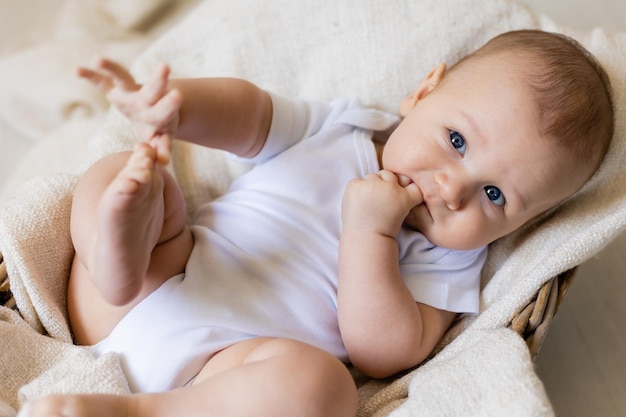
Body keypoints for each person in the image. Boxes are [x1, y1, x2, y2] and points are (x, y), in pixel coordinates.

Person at [19, 29, 613, 417]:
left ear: (522, 224)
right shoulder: (343, 127)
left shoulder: (453, 259)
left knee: (323, 389)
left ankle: (129, 411)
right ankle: (114, 251)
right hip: (151, 281)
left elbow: (385, 354)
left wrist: (369, 237)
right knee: (128, 173)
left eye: (495, 195)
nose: (451, 188)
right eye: (456, 139)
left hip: (216, 373)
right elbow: (249, 116)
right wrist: (178, 106)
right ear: (423, 91)